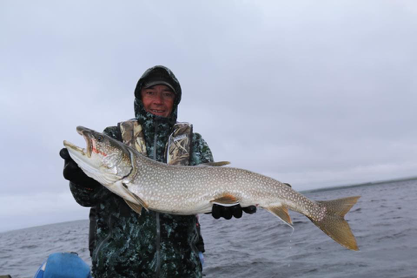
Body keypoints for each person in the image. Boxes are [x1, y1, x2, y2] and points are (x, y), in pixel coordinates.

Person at [60, 65, 256, 277]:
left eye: (167, 94)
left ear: (175, 100)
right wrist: (82, 181)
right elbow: (86, 199)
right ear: (139, 97)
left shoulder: (193, 142)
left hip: (181, 270)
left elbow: (210, 187)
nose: (158, 101)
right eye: (150, 93)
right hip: (117, 270)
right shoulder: (115, 136)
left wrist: (223, 205)